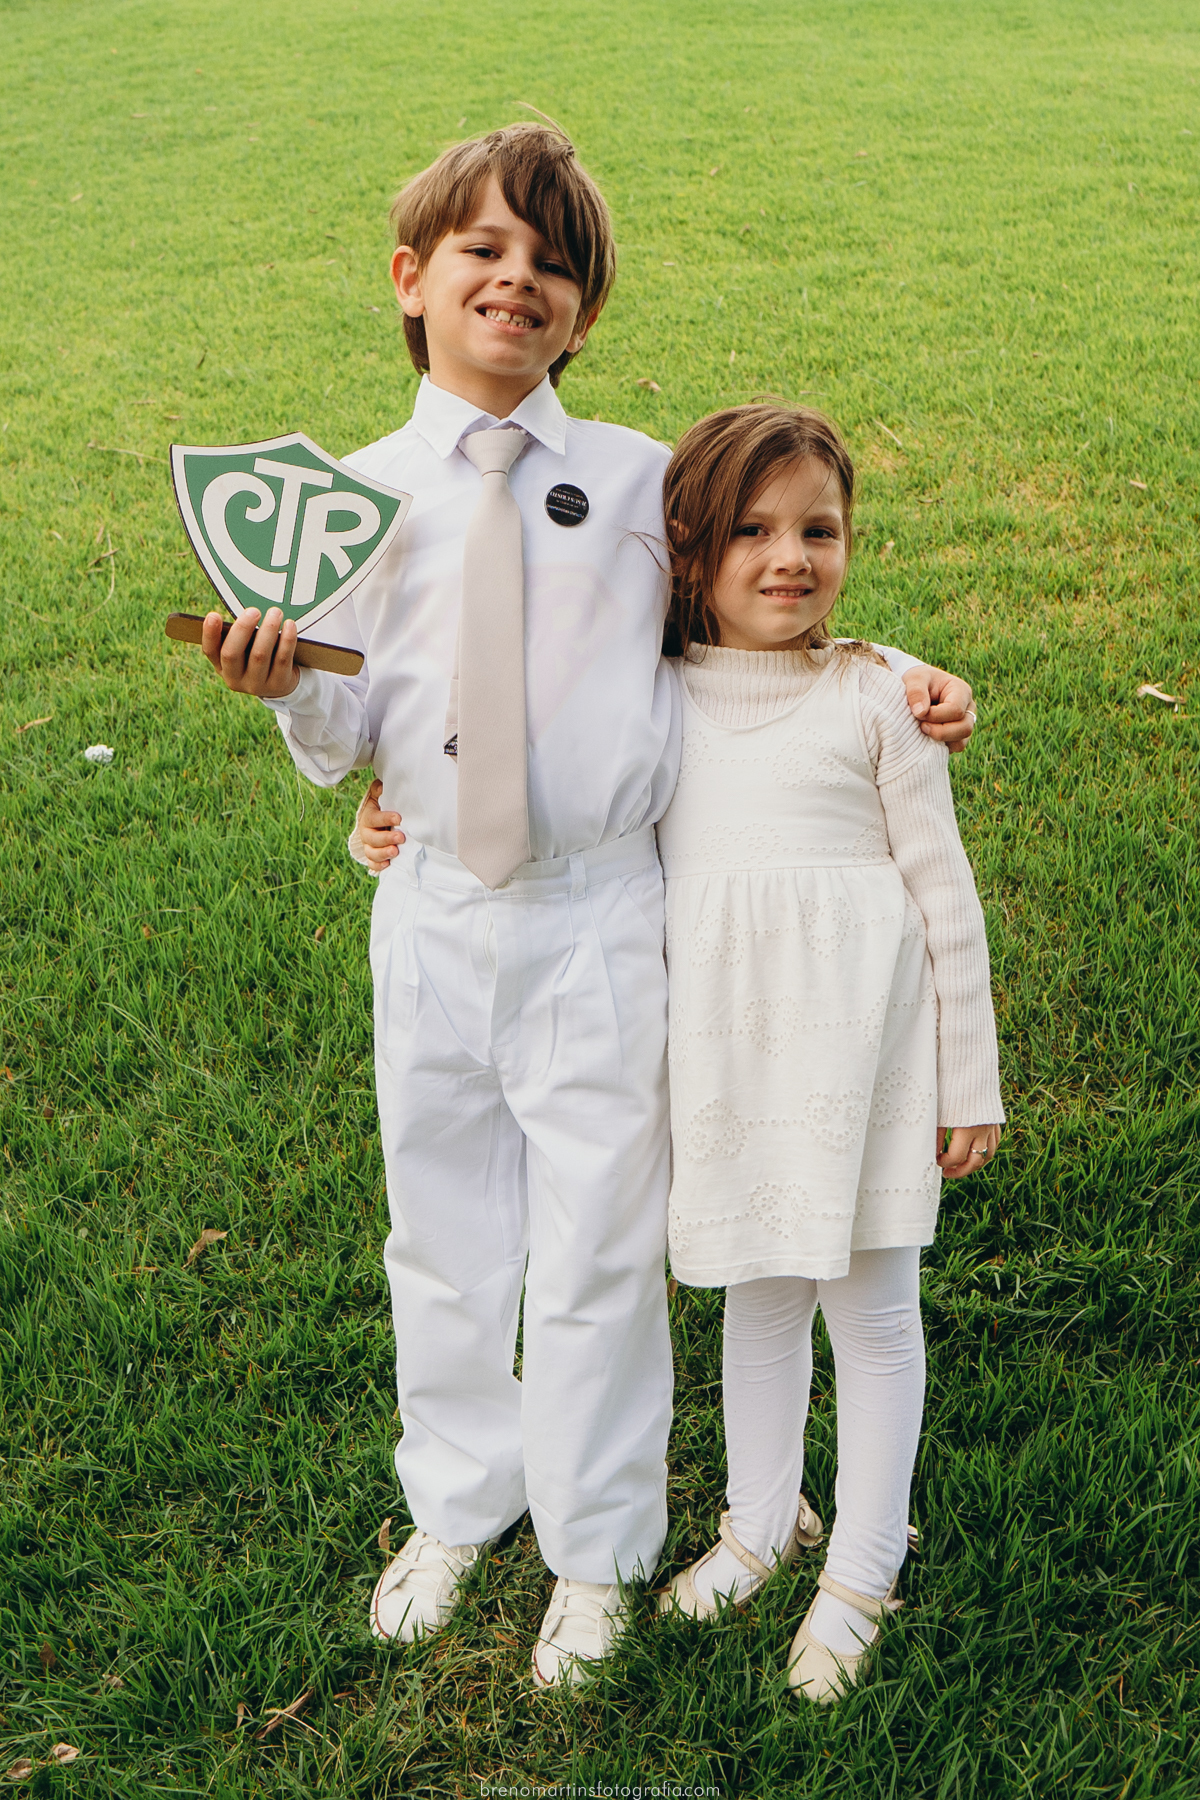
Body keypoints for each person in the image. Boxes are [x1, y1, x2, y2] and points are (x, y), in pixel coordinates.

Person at [199, 123, 977, 1685]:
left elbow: (756, 613)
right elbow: (350, 734)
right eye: (484, 252)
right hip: (429, 908)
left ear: (586, 310)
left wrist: (895, 669)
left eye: (554, 265)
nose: (519, 281)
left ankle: (601, 1546)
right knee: (443, 1228)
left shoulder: (636, 481)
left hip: (603, 915)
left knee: (601, 1243)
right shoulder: (347, 500)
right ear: (412, 280)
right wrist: (287, 697)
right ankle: (458, 1504)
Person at [649, 403, 1003, 1704]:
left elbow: (943, 894)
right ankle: (758, 1522)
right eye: (751, 529)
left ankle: (862, 1560)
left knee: (870, 1306)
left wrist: (972, 1077)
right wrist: (388, 822)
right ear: (690, 549)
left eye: (818, 528)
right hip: (733, 1054)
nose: (788, 555)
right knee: (757, 1291)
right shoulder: (655, 695)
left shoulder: (881, 693)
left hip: (865, 1048)